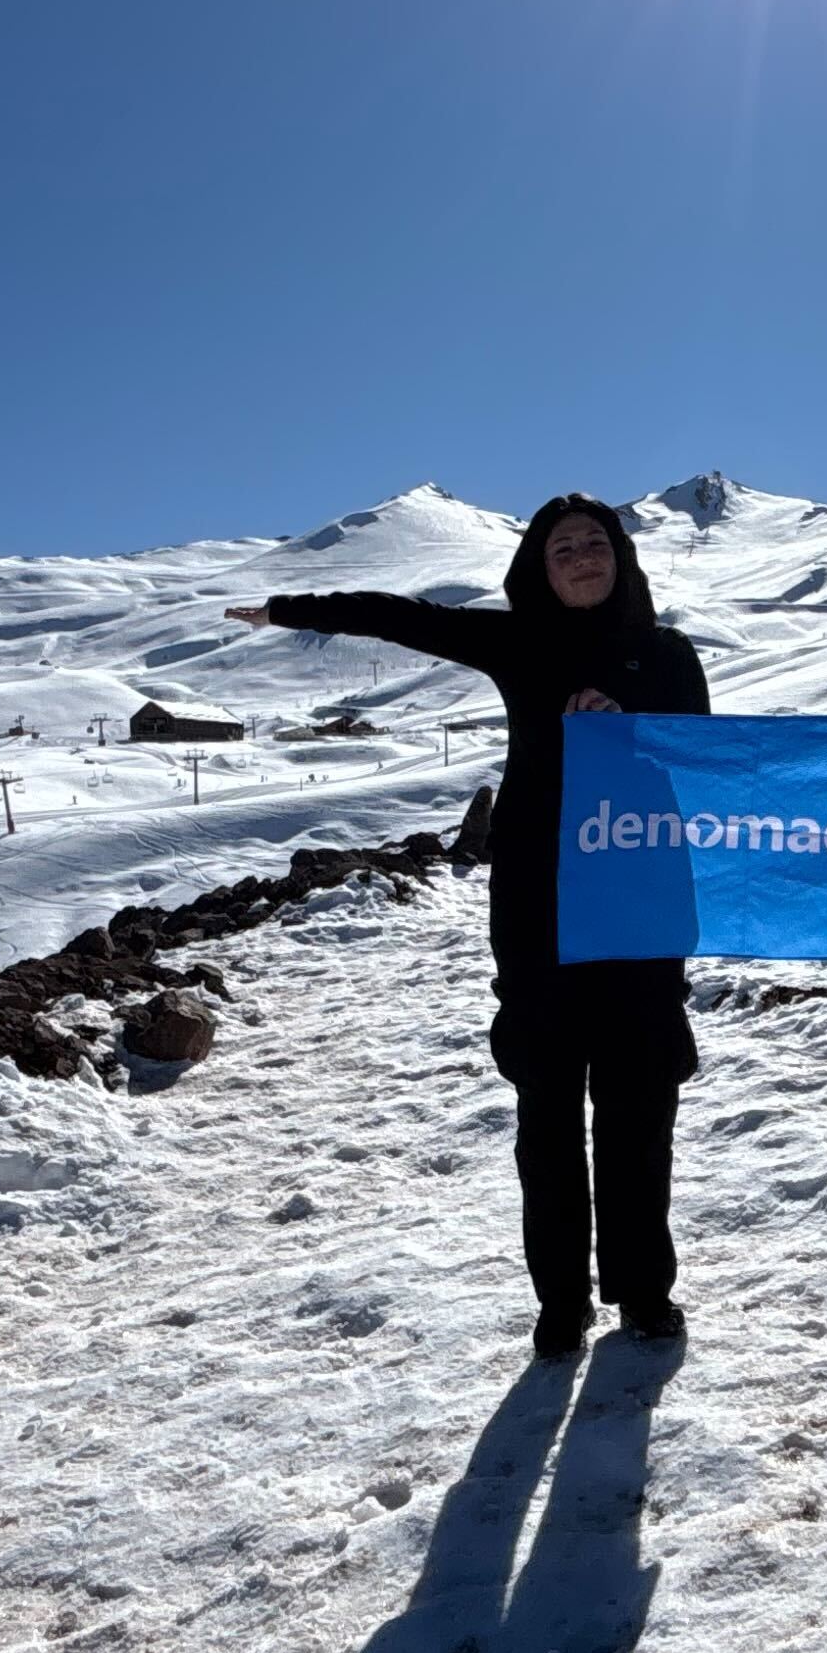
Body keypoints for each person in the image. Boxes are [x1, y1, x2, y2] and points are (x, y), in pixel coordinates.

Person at [230, 497, 711, 1358]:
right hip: (538, 907)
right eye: (562, 547)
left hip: (640, 904)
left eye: (594, 543)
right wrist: (291, 610)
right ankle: (560, 1300)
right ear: (539, 566)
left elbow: (707, 764)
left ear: (620, 556)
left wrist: (630, 727)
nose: (580, 557)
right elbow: (404, 620)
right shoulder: (519, 642)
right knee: (549, 1111)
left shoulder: (670, 655)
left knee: (640, 1110)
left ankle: (644, 1291)